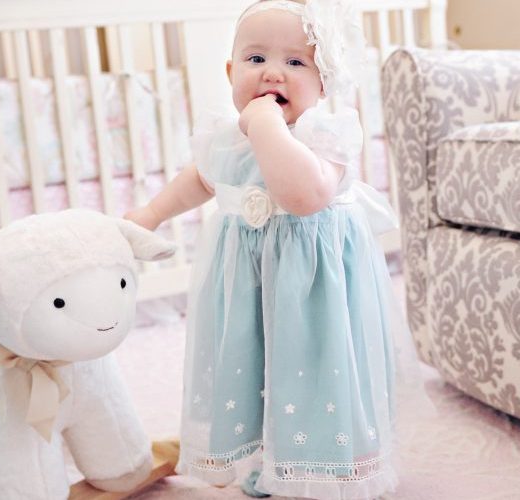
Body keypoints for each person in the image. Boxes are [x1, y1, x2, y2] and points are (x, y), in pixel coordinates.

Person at [125, 1, 428, 498]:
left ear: (323, 82)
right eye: (256, 59)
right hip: (249, 282)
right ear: (231, 72)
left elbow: (303, 196)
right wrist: (151, 213)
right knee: (256, 366)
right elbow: (200, 180)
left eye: (294, 62)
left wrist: (265, 126)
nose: (272, 73)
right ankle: (269, 458)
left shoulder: (325, 134)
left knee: (315, 368)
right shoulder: (226, 139)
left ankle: (333, 465)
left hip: (315, 289)